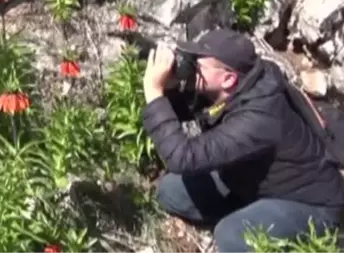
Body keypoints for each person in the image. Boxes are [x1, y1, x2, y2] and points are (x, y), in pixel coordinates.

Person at [141, 28, 344, 252]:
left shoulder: (259, 118)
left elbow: (182, 158)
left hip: (312, 205)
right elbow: (187, 108)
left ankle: (261, 223)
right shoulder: (240, 84)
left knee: (230, 235)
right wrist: (171, 87)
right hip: (251, 180)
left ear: (228, 79)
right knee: (171, 191)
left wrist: (154, 93)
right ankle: (253, 212)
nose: (192, 67)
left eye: (198, 65)